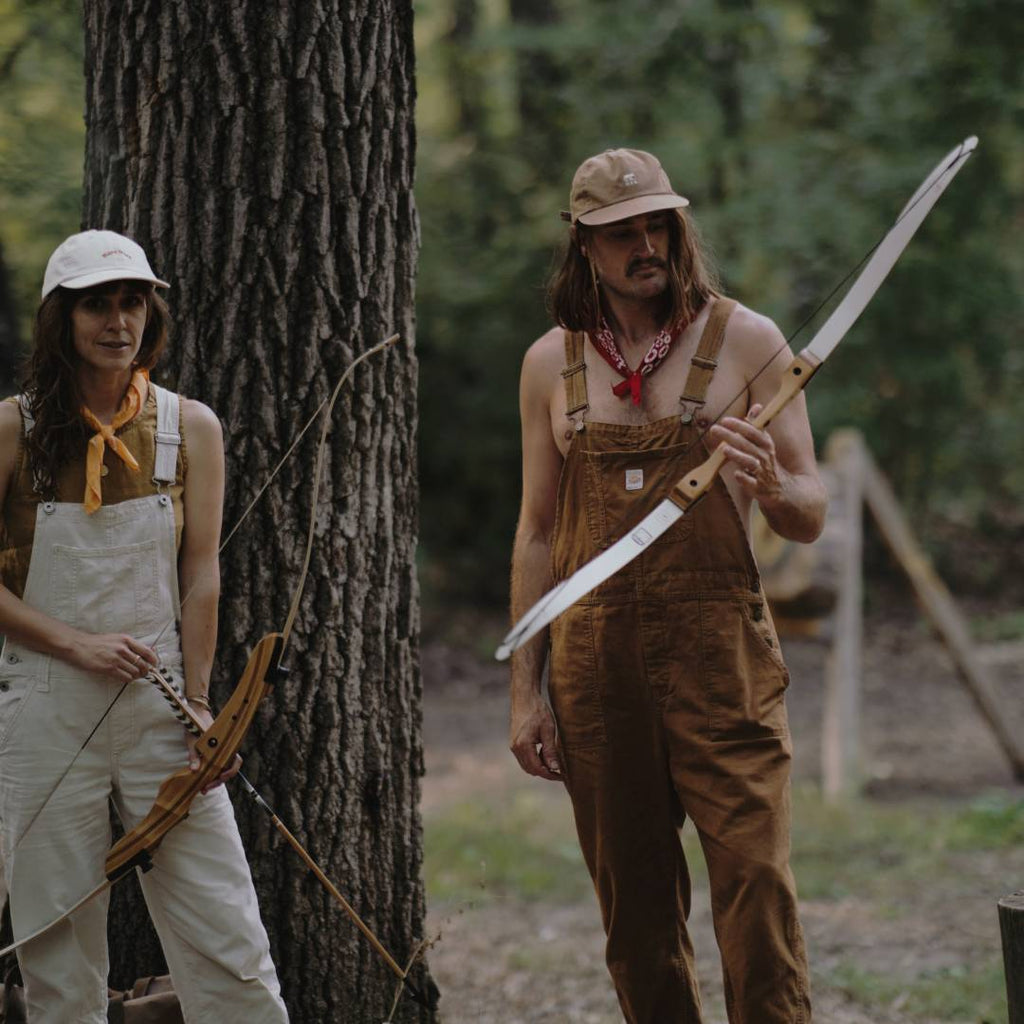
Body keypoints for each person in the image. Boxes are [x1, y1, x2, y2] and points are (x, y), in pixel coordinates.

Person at [509, 149, 828, 1023]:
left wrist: (773, 485)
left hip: (723, 662)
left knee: (756, 886)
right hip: (595, 671)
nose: (644, 243)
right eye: (620, 232)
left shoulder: (749, 340)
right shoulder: (551, 364)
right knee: (637, 917)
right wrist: (524, 694)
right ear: (583, 245)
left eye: (657, 223)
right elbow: (537, 532)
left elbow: (809, 511)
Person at [0, 230, 289, 1023]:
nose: (118, 320)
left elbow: (201, 573)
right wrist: (74, 643)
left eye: (132, 301)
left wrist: (200, 703)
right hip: (46, 707)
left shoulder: (188, 424)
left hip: (164, 710)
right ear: (61, 318)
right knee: (58, 955)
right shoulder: (13, 430)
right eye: (97, 302)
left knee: (230, 941)